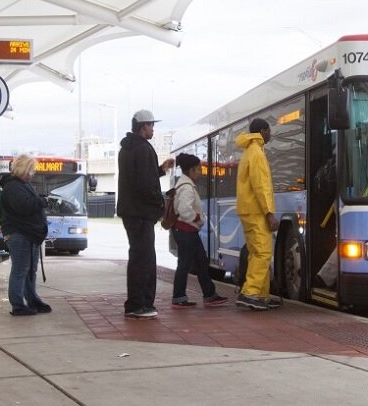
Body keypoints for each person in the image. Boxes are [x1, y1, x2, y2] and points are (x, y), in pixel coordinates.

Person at [117, 109, 174, 320]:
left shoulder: (127, 148)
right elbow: (145, 184)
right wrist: (160, 203)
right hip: (141, 213)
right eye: (151, 125)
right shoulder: (143, 148)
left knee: (138, 257)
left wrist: (160, 169)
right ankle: (138, 304)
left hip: (131, 211)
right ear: (144, 127)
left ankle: (136, 303)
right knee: (145, 260)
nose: (153, 129)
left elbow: (138, 177)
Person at [169, 153, 228, 309]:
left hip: (185, 231)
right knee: (186, 264)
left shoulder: (182, 184)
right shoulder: (187, 188)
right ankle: (180, 297)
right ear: (191, 170)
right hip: (186, 231)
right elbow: (184, 210)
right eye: (198, 169)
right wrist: (197, 217)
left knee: (201, 262)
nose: (200, 172)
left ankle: (209, 294)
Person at [235, 118, 280, 311]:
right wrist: (269, 212)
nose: (271, 134)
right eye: (269, 131)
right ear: (263, 131)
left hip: (247, 209)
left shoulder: (248, 152)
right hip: (257, 211)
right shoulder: (257, 154)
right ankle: (251, 292)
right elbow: (261, 186)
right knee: (263, 252)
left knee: (255, 252)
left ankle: (261, 296)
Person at [0, 154, 51, 316]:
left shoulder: (21, 185)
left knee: (29, 271)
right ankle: (18, 305)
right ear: (24, 169)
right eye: (32, 170)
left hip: (29, 235)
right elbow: (23, 206)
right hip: (20, 234)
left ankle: (32, 299)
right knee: (21, 270)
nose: (33, 173)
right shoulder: (14, 186)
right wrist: (42, 202)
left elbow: (26, 203)